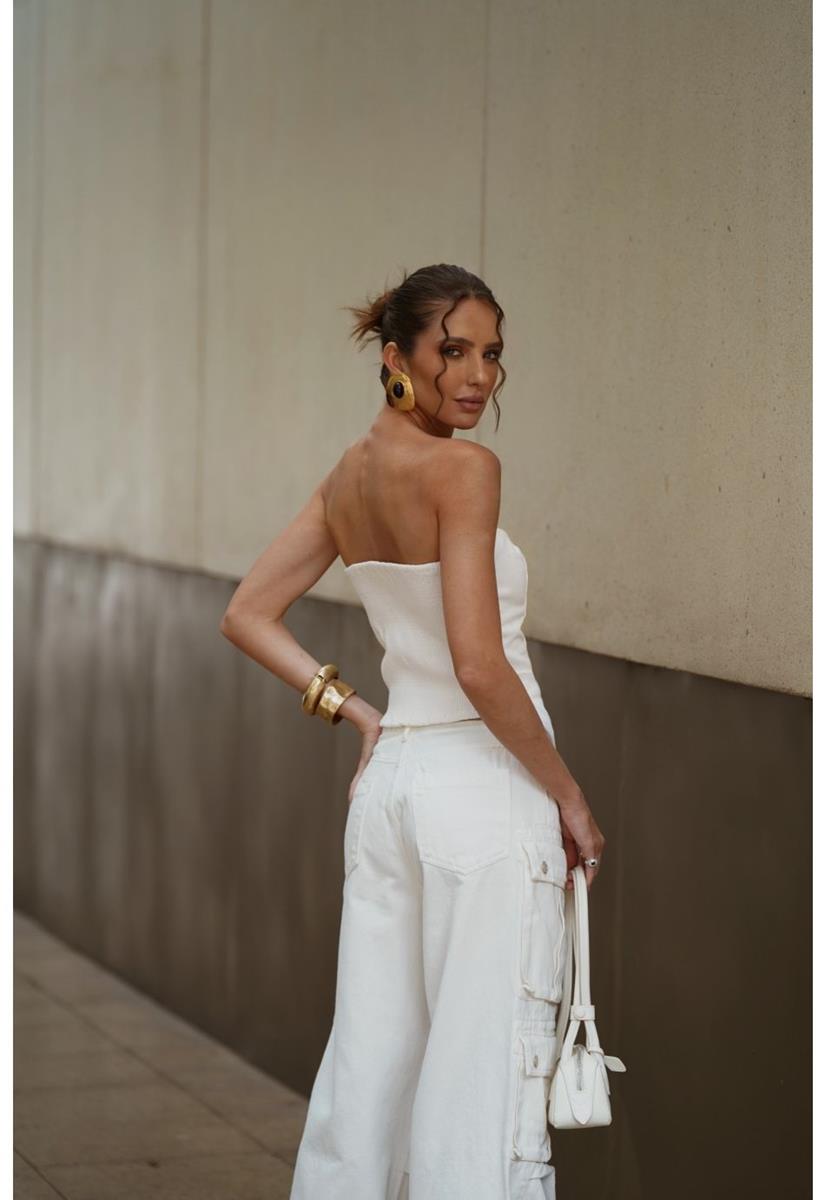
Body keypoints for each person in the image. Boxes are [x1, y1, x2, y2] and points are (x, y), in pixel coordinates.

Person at [219, 263, 606, 1200]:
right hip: (481, 792)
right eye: (453, 350)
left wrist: (357, 713)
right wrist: (568, 795)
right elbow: (479, 664)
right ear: (396, 357)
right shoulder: (465, 470)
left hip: (391, 788)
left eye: (492, 354)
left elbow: (247, 613)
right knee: (478, 1079)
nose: (478, 376)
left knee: (370, 1065)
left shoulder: (349, 476)